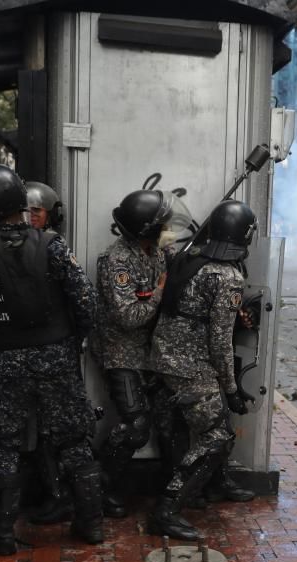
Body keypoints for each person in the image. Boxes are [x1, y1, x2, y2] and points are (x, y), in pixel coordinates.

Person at [0, 165, 102, 555]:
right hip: (57, 357)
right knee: (74, 440)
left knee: (3, 446)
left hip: (7, 360)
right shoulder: (51, 245)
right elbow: (86, 302)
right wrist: (72, 339)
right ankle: (90, 525)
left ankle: (1, 534)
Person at [148, 200, 257, 541]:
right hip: (190, 363)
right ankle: (166, 510)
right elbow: (221, 341)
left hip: (163, 355)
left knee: (204, 422)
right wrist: (231, 389)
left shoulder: (187, 258)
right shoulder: (229, 277)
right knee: (218, 435)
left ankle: (213, 483)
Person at [94, 190, 174, 519]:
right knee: (136, 425)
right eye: (161, 225)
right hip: (123, 354)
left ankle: (173, 489)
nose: (167, 229)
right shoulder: (117, 262)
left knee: (169, 420)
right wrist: (159, 293)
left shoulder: (156, 254)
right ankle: (100, 487)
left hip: (153, 353)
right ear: (145, 230)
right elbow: (128, 318)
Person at [22, 181, 73, 526]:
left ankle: (63, 498)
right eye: (25, 211)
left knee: (57, 430)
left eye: (36, 212)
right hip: (26, 350)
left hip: (54, 350)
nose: (30, 218)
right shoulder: (12, 246)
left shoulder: (55, 248)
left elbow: (79, 299)